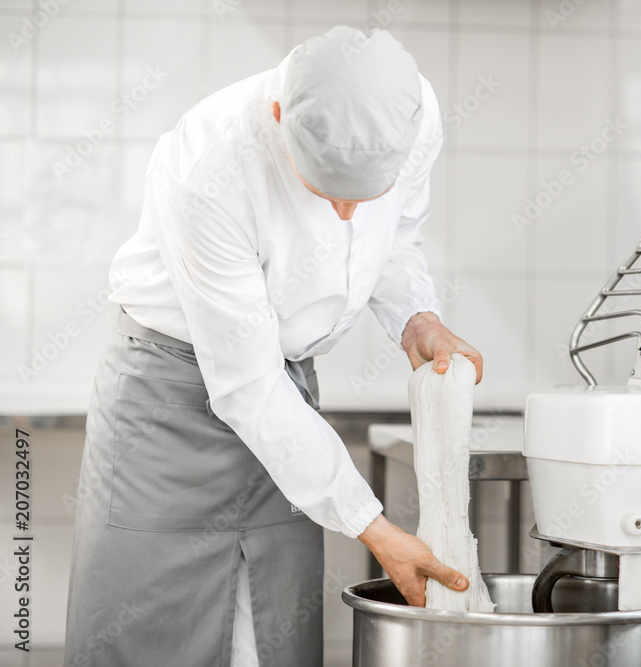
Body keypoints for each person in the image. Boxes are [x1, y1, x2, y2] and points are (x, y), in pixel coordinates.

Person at [63, 26, 481, 666]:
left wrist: (414, 318)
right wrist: (376, 530)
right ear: (280, 117)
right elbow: (248, 383)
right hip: (168, 412)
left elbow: (395, 238)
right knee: (147, 640)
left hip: (287, 408)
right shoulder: (208, 166)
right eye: (325, 192)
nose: (345, 214)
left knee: (271, 638)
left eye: (360, 197)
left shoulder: (410, 119)